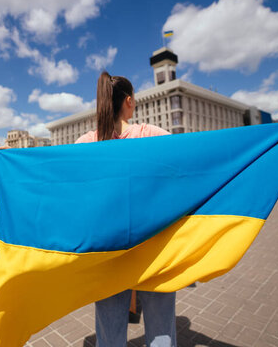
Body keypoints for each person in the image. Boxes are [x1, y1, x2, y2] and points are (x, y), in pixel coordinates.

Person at [75, 71, 177, 347]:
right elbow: (197, 154)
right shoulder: (150, 134)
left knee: (108, 325)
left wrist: (5, 156)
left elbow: (55, 174)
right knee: (161, 322)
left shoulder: (87, 143)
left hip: (108, 245)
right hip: (153, 241)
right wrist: (275, 133)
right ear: (129, 101)